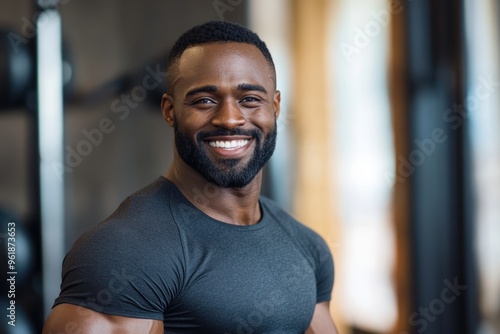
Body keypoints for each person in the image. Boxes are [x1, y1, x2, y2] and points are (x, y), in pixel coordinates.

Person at [43, 20, 338, 334]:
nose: (230, 118)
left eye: (249, 99)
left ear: (275, 106)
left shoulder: (307, 247)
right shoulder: (126, 251)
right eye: (205, 101)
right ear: (170, 111)